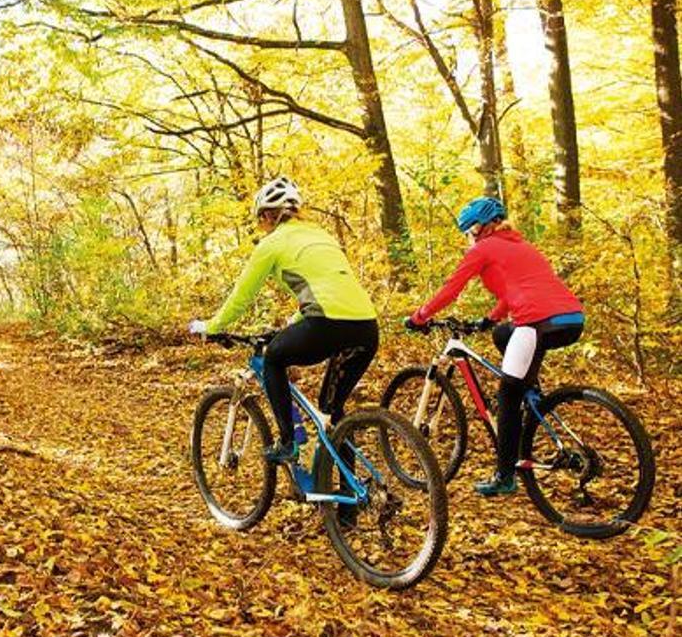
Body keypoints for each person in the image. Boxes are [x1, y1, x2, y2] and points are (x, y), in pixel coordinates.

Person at [189, 176, 380, 465]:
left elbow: (241, 298)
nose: (261, 224)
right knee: (333, 411)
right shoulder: (321, 235)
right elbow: (327, 290)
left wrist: (211, 326)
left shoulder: (272, 244)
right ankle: (346, 507)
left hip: (327, 324)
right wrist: (291, 325)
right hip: (365, 327)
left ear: (267, 215)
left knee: (274, 358)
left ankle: (288, 443)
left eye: (260, 218)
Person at [405, 196, 584, 496]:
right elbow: (515, 291)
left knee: (507, 394)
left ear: (479, 228)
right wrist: (490, 319)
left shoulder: (484, 248)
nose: (468, 238)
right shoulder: (522, 247)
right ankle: (532, 391)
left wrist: (420, 316)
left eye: (468, 231)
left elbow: (452, 288)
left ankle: (505, 476)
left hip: (537, 322)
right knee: (502, 334)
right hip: (571, 319)